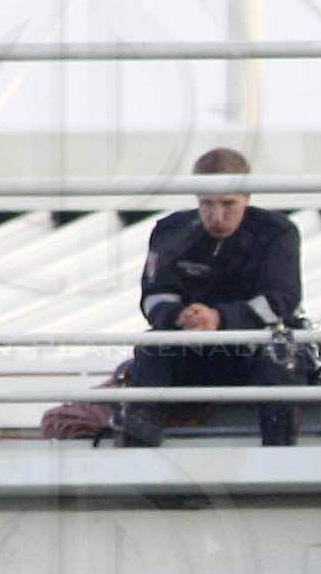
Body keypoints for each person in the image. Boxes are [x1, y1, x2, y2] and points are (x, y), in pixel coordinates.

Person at [119, 147, 303, 447]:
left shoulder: (277, 233)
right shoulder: (170, 230)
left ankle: (279, 453)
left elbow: (282, 299)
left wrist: (220, 319)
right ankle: (138, 454)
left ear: (247, 197)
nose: (217, 216)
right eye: (207, 203)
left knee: (281, 355)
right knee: (151, 349)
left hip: (254, 350)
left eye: (228, 204)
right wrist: (179, 316)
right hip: (191, 347)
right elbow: (154, 296)